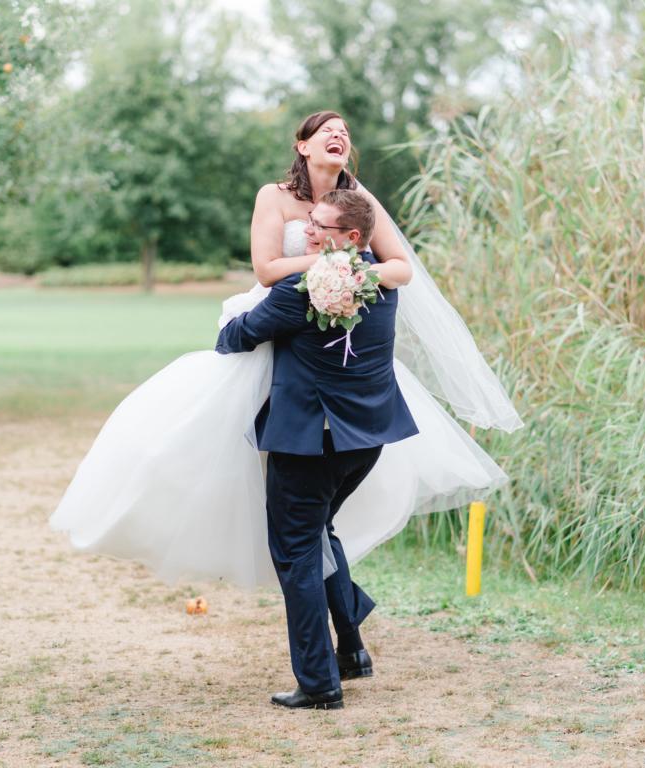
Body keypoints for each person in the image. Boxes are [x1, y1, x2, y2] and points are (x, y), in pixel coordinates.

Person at [49, 111, 521, 590]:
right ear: (303, 146)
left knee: (311, 505)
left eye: (345, 132)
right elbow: (267, 268)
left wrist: (349, 273)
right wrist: (326, 264)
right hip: (278, 329)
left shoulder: (360, 202)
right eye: (326, 131)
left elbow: (400, 269)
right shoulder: (273, 197)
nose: (338, 135)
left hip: (338, 349)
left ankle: (333, 602)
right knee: (221, 456)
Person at [217, 189, 414, 709]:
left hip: (310, 443)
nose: (306, 231)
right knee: (319, 534)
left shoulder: (299, 289)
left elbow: (239, 337)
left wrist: (229, 321)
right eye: (308, 220)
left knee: (296, 551)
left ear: (352, 237)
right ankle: (351, 649)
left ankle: (319, 682)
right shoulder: (382, 284)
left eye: (318, 226)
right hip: (366, 440)